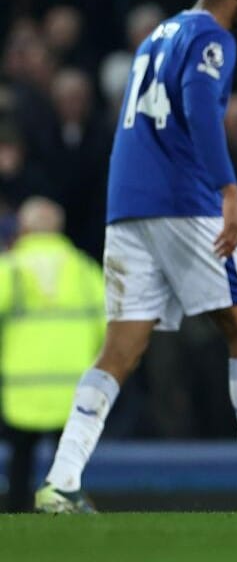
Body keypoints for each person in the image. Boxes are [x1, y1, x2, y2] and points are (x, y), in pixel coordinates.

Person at [34, 0, 237, 513]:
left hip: (127, 205)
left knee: (121, 347)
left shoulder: (156, 37)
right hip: (183, 202)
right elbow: (199, 106)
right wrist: (229, 190)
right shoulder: (213, 38)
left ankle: (61, 481)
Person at [0, 198, 104, 511]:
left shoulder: (10, 269)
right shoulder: (84, 270)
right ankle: (68, 512)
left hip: (22, 389)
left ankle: (17, 519)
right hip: (74, 387)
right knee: (69, 463)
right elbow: (107, 329)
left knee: (20, 462)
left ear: (24, 228)